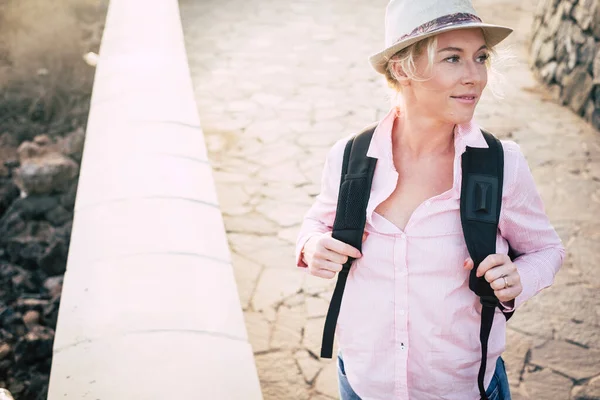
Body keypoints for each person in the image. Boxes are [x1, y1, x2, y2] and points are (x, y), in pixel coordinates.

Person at [295, 0, 565, 399]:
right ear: (402, 68)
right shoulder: (350, 157)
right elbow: (316, 225)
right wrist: (313, 245)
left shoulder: (501, 164)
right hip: (363, 383)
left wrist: (520, 278)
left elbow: (547, 249)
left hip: (462, 386)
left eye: (481, 58)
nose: (475, 76)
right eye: (453, 59)